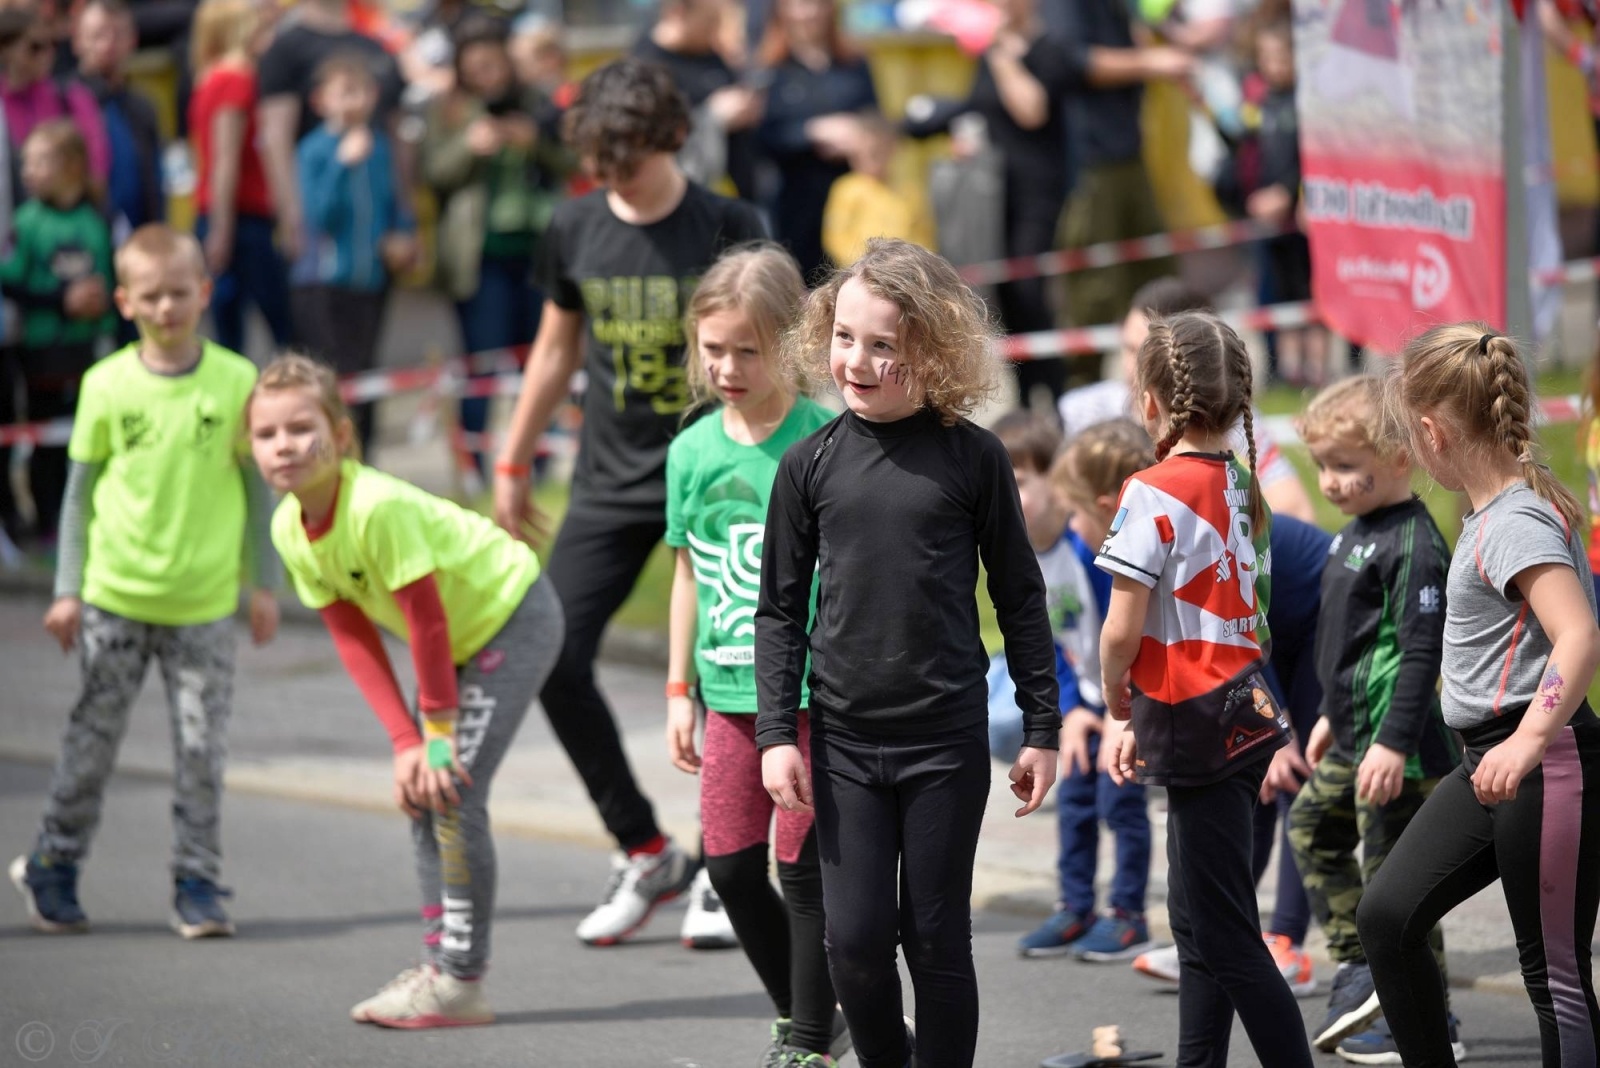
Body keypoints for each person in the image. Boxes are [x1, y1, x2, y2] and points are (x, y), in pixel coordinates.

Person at [757, 238, 1060, 1068]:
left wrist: (1042, 724)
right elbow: (779, 610)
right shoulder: (807, 464)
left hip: (944, 742)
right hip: (847, 743)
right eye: (844, 336)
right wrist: (777, 733)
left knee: (935, 939)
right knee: (853, 942)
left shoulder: (974, 458)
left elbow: (1019, 595)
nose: (855, 358)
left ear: (928, 349)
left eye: (881, 343)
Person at [492, 57, 767, 947]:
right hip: (610, 480)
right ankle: (645, 847)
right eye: (600, 166)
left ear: (669, 139)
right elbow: (553, 350)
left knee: (739, 674)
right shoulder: (573, 224)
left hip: (720, 476)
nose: (614, 181)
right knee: (548, 652)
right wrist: (512, 458)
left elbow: (774, 353)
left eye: (630, 163)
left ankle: (729, 865)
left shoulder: (728, 224)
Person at [253, 353, 565, 1028]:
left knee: (449, 788)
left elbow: (423, 622)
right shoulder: (287, 528)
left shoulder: (375, 507)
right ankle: (439, 967)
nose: (283, 446)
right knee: (425, 790)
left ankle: (459, 981)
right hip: (459, 641)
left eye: (301, 428)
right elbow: (354, 639)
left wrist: (438, 735)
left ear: (341, 436)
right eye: (266, 434)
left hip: (511, 614)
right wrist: (404, 743)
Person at [9, 224, 279, 939]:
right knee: (92, 743)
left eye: (180, 294)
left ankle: (197, 883)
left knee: (199, 750)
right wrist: (67, 590)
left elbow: (258, 495)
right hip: (114, 600)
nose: (168, 308)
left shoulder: (236, 380)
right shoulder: (105, 384)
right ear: (124, 301)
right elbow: (76, 500)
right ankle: (54, 865)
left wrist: (264, 585)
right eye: (152, 296)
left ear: (204, 293)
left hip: (204, 606)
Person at [1357, 325, 1600, 1068]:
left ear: (1433, 432)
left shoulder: (1515, 520)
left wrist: (1528, 741)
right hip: (1486, 764)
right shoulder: (1490, 512)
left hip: (1545, 761)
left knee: (1554, 977)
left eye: (1410, 433)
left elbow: (1580, 636)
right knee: (1388, 915)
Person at [1097, 310, 1314, 1068]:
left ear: (1151, 401)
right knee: (1195, 922)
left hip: (1194, 723)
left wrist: (1112, 699)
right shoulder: (1246, 483)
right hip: (1245, 712)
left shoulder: (1150, 491)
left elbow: (1122, 629)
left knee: (1222, 933)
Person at [663, 242, 848, 1066]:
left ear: (791, 344)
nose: (730, 367)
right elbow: (687, 575)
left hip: (811, 697)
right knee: (731, 870)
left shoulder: (826, 440)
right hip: (727, 696)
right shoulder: (692, 452)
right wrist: (678, 688)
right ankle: (814, 1012)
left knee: (801, 874)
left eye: (749, 349)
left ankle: (807, 1040)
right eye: (715, 350)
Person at [1284, 375, 1464, 1062]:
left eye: (1345, 467)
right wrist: (1331, 712)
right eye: (1323, 466)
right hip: (1352, 738)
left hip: (1401, 751)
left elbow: (1421, 651)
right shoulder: (1355, 531)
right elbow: (1348, 643)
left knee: (1399, 891)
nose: (1329, 482)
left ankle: (1431, 1018)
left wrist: (1391, 743)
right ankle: (1364, 969)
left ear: (1399, 459)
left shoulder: (1414, 541)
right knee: (1310, 826)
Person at [904, 0, 1190, 410]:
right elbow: (982, 106)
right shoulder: (992, 53)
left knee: (1034, 293)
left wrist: (1001, 55)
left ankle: (1059, 396)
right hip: (1000, 194)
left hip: (1041, 195)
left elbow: (1031, 108)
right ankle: (1026, 399)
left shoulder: (1046, 49)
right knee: (1011, 299)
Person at [991, 415, 1153, 962]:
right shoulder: (1023, 558)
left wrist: (1115, 712)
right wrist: (1071, 710)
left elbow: (1123, 630)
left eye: (1019, 481)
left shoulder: (1085, 548)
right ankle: (1075, 905)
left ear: (1055, 484)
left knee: (1120, 801)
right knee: (1077, 802)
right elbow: (1051, 646)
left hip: (1124, 699)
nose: (1008, 496)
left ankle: (1129, 913)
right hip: (1087, 702)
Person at [421, 14, 571, 478]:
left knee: (539, 357)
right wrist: (470, 145)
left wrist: (535, 142)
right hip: (479, 257)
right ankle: (476, 466)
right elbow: (432, 174)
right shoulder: (448, 110)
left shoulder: (538, 103)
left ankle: (538, 459)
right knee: (482, 363)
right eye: (475, 67)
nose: (486, 75)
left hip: (537, 251)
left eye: (493, 63)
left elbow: (574, 160)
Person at [1058, 276, 1317, 523]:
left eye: (1145, 354)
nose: (1130, 368)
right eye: (1128, 349)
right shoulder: (1084, 410)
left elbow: (1296, 512)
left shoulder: (1231, 422)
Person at [292, 50, 416, 457]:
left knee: (368, 370)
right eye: (343, 92)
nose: (353, 101)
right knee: (335, 372)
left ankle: (367, 455)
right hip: (326, 281)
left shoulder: (379, 147)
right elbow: (317, 215)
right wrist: (341, 165)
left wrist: (403, 236)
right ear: (321, 101)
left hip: (372, 278)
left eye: (360, 92)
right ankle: (334, 455)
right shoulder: (314, 150)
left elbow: (395, 201)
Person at [1, 118, 113, 542]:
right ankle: (47, 521)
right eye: (25, 161)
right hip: (41, 350)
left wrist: (98, 305)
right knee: (44, 439)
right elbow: (10, 280)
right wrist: (61, 301)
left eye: (40, 161)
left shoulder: (95, 219)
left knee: (84, 437)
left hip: (85, 350)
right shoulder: (27, 221)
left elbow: (111, 274)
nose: (28, 171)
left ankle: (86, 519)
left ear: (70, 166)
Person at [1212, 19, 1327, 387]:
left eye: (1282, 56)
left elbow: (1312, 154)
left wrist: (1293, 193)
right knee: (1280, 295)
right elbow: (1242, 146)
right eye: (1267, 57)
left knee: (1311, 294)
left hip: (1301, 217)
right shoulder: (1259, 104)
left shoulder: (1309, 101)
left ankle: (1318, 368)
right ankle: (1290, 369)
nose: (1274, 65)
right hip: (1268, 217)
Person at [256, 0, 407, 264]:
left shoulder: (376, 48)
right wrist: (292, 215)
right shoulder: (285, 49)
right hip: (321, 231)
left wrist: (405, 219)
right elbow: (276, 138)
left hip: (374, 230)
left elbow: (399, 139)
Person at [188, 0, 294, 355]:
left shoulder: (212, 77)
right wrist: (222, 227)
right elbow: (225, 158)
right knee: (277, 326)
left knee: (231, 330)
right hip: (240, 218)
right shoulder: (237, 78)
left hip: (226, 214)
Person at [755, 0, 877, 281]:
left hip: (853, 205)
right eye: (800, 5)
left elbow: (878, 123)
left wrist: (858, 134)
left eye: (818, 4)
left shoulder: (854, 65)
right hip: (794, 205)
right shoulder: (770, 70)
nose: (809, 13)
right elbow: (760, 139)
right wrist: (812, 132)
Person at [633, 0, 763, 198]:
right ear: (678, 12)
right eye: (710, 21)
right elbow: (653, 142)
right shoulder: (644, 67)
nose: (716, 29)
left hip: (736, 198)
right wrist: (713, 116)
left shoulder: (709, 53)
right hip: (686, 202)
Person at [72, 0, 164, 251]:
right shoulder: (63, 102)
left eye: (118, 34)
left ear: (132, 40)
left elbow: (156, 178)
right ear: (78, 40)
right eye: (98, 34)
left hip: (138, 238)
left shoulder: (142, 106)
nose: (108, 43)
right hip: (83, 241)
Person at [1, 0, 109, 198]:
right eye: (35, 47)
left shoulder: (73, 97)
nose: (47, 54)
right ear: (6, 50)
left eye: (53, 44)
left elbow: (97, 169)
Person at [820, 111, 931, 268]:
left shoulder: (909, 191)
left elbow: (924, 235)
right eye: (860, 154)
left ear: (893, 150)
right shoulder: (847, 189)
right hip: (862, 271)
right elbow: (836, 238)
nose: (867, 160)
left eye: (876, 154)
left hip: (905, 273)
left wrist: (915, 264)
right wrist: (862, 264)